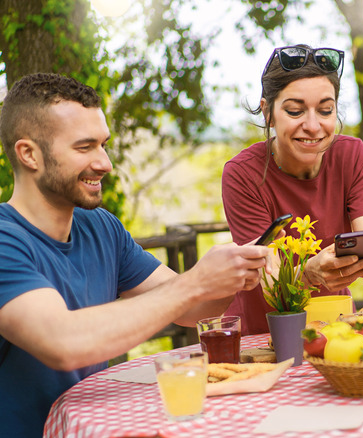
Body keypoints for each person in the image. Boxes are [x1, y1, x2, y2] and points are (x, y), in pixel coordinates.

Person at [0, 73, 271, 437]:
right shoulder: (5, 239)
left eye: (103, 145)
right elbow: (62, 343)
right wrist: (195, 283)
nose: (105, 163)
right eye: (85, 148)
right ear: (29, 154)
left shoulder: (100, 227)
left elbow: (193, 309)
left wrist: (232, 274)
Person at [222, 44, 363, 334]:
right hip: (266, 331)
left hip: (337, 326)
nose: (314, 126)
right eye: (295, 111)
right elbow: (268, 282)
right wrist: (308, 274)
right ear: (268, 113)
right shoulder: (242, 174)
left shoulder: (352, 156)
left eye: (326, 110)